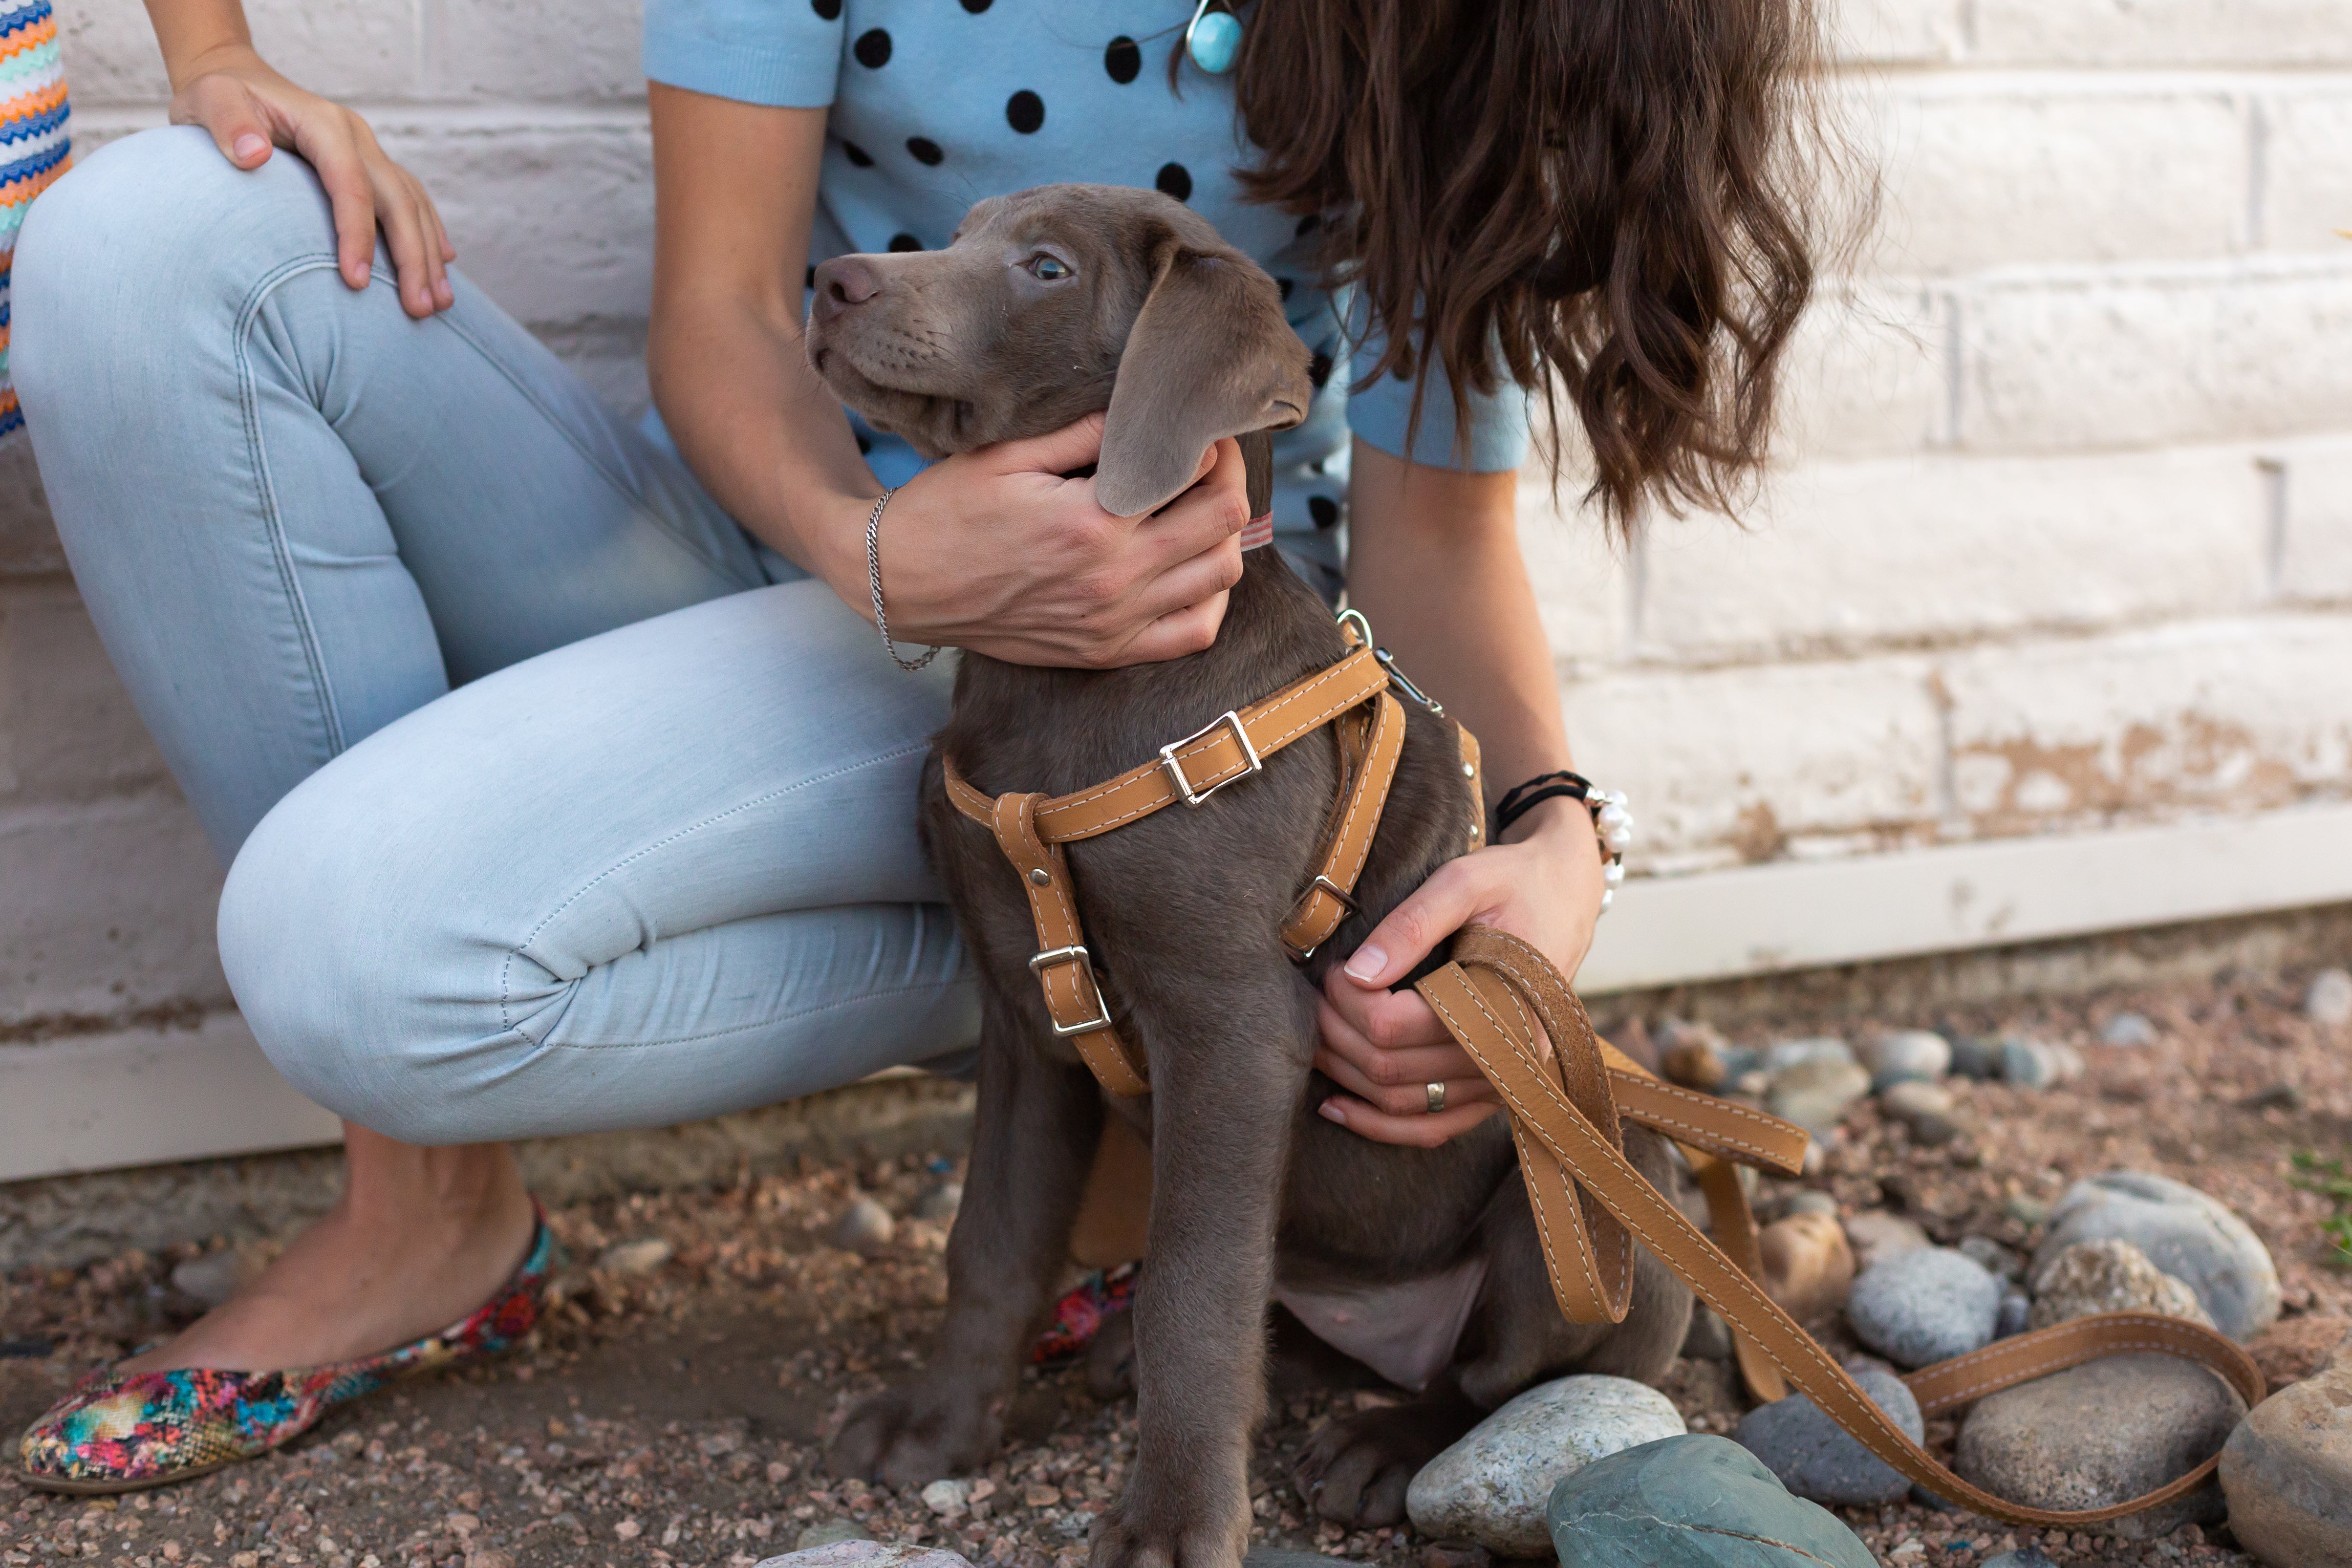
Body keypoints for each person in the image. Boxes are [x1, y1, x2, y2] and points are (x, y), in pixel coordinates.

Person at [12, 0, 1819, 1495]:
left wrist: (1558, 837)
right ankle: (427, 1211)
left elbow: (1437, 539)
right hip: (793, 566)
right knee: (153, 243)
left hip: (1173, 722)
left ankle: (1153, 1042)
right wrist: (874, 549)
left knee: (363, 956)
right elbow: (725, 317)